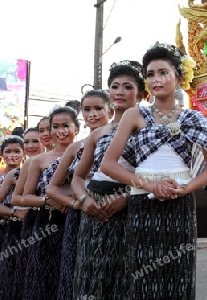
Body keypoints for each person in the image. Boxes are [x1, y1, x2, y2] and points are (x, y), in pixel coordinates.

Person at [101, 42, 207, 299]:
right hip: (141, 203)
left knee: (178, 275)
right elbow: (109, 164)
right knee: (141, 276)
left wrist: (185, 190)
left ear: (179, 78)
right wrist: (149, 185)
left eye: (163, 73)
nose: (155, 80)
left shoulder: (193, 118)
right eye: (150, 74)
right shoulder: (134, 115)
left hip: (180, 206)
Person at [70, 60, 147, 299]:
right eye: (115, 86)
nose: (120, 92)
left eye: (128, 87)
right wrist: (84, 200)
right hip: (94, 209)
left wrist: (128, 198)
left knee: (126, 277)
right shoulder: (98, 134)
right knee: (91, 275)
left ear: (142, 94)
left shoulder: (147, 128)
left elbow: (154, 174)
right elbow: (78, 177)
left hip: (131, 207)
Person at [46, 90, 111, 300]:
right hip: (81, 217)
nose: (92, 114)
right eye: (87, 109)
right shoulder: (76, 147)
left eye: (98, 108)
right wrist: (74, 203)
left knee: (112, 271)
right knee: (79, 272)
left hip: (114, 209)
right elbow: (52, 188)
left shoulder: (122, 137)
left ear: (110, 109)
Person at [19, 107, 79, 300]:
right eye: (55, 126)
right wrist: (47, 200)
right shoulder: (39, 160)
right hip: (48, 221)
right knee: (44, 275)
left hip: (78, 218)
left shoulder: (86, 150)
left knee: (71, 273)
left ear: (76, 128)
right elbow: (24, 197)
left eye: (66, 125)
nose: (60, 131)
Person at [0, 129, 43, 299]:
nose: (12, 155)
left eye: (17, 151)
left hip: (28, 227)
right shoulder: (9, 176)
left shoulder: (29, 171)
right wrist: (13, 213)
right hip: (8, 227)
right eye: (7, 152)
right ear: (2, 155)